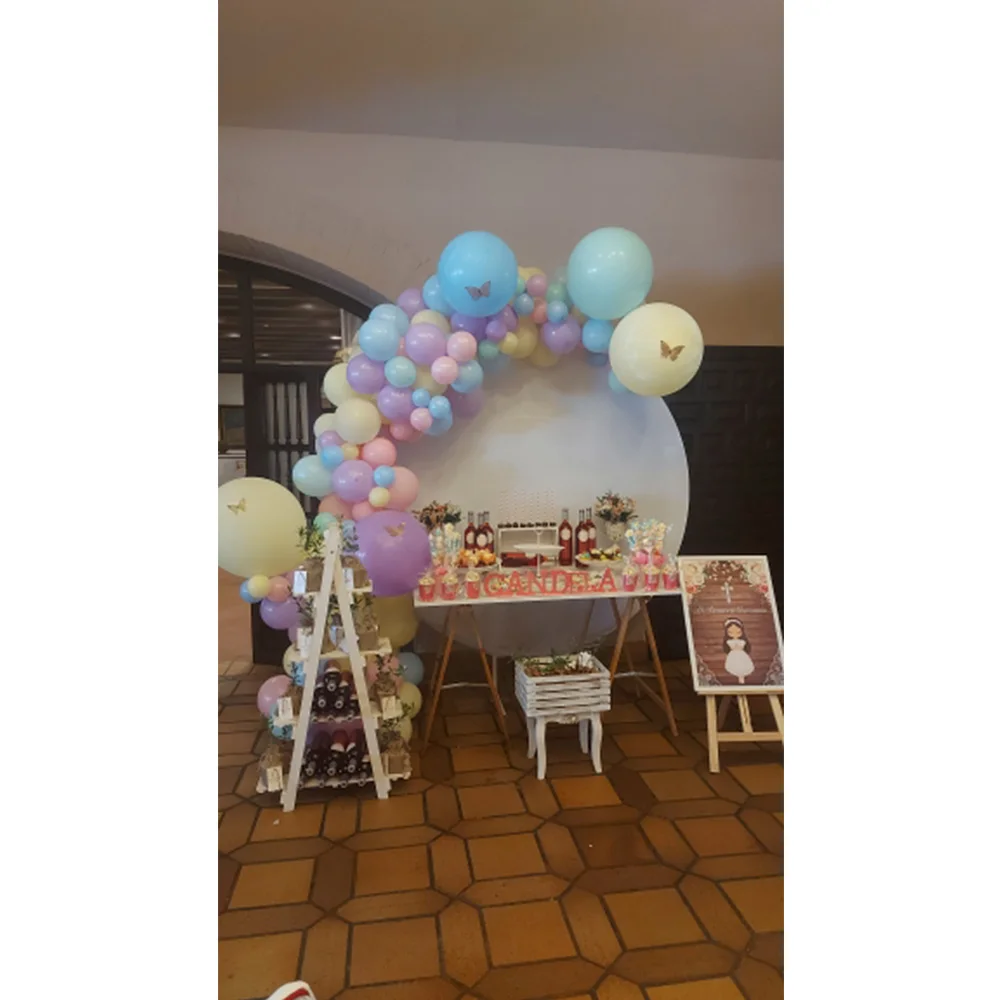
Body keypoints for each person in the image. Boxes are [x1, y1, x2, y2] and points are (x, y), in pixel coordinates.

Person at [722, 617, 754, 684]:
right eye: (730, 632)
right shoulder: (729, 641)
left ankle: (742, 677)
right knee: (735, 665)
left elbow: (744, 646)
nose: (735, 634)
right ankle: (739, 676)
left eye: (738, 632)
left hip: (741, 655)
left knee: (742, 665)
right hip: (733, 655)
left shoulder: (742, 641)